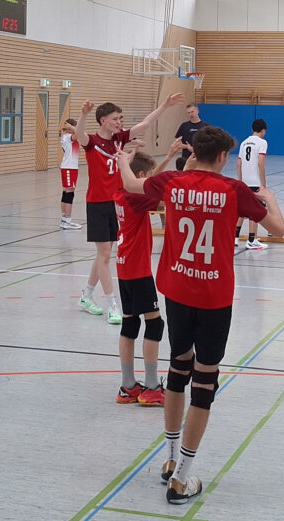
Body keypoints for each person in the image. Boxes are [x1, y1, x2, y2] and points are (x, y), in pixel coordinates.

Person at [117, 126, 284, 505]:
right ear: (224, 157)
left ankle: (170, 459)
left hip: (177, 291)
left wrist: (124, 160)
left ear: (196, 153)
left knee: (178, 368)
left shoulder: (172, 182)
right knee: (205, 380)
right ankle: (184, 477)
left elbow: (130, 184)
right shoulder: (234, 191)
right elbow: (278, 229)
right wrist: (271, 199)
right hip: (213, 296)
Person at [74, 93, 185, 325]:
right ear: (103, 120)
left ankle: (86, 296)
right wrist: (83, 114)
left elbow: (145, 124)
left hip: (117, 202)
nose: (119, 122)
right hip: (97, 204)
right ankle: (113, 305)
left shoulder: (119, 140)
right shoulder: (93, 142)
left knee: (103, 253)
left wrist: (164, 104)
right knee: (105, 254)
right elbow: (79, 134)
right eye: (116, 118)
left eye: (121, 118)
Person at [112, 139, 186, 405]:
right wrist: (183, 169)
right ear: (140, 176)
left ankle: (128, 386)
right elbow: (155, 189)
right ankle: (152, 386)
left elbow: (147, 182)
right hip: (137, 269)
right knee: (155, 323)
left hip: (123, 267)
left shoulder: (121, 192)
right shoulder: (136, 197)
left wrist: (167, 157)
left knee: (130, 323)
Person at [235, 119, 269, 250]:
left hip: (244, 182)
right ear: (263, 130)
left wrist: (241, 180)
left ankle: (235, 238)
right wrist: (263, 183)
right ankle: (251, 240)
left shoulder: (244, 143)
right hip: (255, 182)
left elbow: (238, 164)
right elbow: (261, 163)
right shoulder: (262, 142)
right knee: (254, 210)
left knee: (242, 211)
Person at [59, 118, 82, 230]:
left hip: (70, 168)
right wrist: (72, 128)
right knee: (69, 194)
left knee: (66, 192)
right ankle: (67, 221)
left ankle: (65, 220)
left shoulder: (68, 137)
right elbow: (78, 134)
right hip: (69, 168)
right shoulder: (68, 137)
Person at [173, 103, 209, 170]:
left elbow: (209, 145)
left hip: (200, 160)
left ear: (197, 111)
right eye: (188, 113)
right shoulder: (184, 126)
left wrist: (195, 150)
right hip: (186, 160)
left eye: (192, 112)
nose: (191, 114)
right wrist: (187, 147)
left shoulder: (206, 126)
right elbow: (177, 144)